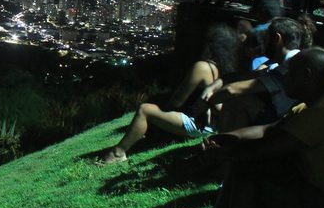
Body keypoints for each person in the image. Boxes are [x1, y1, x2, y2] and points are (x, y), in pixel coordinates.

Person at [195, 48, 324, 208]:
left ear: (306, 74)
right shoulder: (312, 106)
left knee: (250, 168)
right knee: (250, 163)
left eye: (290, 72)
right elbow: (268, 130)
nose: (284, 78)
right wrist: (226, 138)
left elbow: (270, 147)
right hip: (318, 199)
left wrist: (222, 154)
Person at [97, 24, 239, 164]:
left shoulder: (203, 67)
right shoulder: (229, 68)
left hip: (197, 124)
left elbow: (177, 101)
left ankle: (118, 153)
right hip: (213, 124)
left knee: (145, 110)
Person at [202, 17, 304, 132]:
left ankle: (224, 144)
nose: (263, 46)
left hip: (283, 125)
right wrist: (216, 84)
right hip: (284, 120)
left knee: (239, 99)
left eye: (265, 40)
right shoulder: (292, 60)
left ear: (277, 38)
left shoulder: (290, 64)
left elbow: (232, 90)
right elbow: (247, 76)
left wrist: (207, 102)